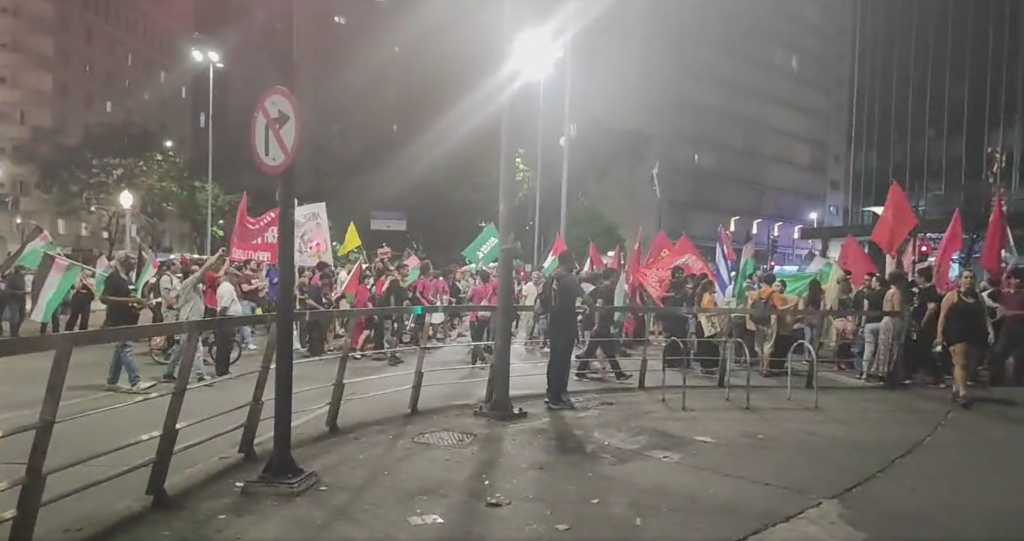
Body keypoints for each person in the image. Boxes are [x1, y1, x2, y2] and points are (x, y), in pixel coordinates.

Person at [161, 252, 223, 383]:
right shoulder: (190, 282)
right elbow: (205, 268)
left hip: (189, 318)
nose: (202, 274)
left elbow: (175, 298)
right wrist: (217, 255)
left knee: (180, 348)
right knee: (196, 348)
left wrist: (178, 307)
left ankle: (169, 372)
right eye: (196, 272)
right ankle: (200, 374)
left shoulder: (192, 286)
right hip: (190, 320)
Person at [543, 251, 594, 410]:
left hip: (553, 321)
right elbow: (586, 298)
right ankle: (557, 398)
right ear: (569, 261)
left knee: (554, 359)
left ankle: (551, 393)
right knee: (563, 361)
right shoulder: (569, 279)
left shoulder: (551, 277)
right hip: (566, 323)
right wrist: (591, 308)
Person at [936, 270, 992, 407]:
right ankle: (963, 392)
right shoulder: (952, 296)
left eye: (971, 278)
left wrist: (990, 331)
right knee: (960, 363)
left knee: (966, 364)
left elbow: (985, 316)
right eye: (966, 277)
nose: (969, 280)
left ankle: (956, 388)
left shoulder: (979, 298)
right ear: (959, 280)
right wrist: (939, 336)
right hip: (956, 333)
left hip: (975, 334)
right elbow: (942, 317)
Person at [102, 252, 156, 393]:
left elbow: (131, 296)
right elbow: (104, 298)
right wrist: (129, 301)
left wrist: (140, 303)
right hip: (118, 320)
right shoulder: (113, 277)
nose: (135, 262)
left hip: (129, 318)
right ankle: (135, 381)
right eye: (131, 259)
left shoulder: (128, 279)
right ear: (123, 261)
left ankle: (112, 381)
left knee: (120, 351)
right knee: (125, 349)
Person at [574, 268, 632, 382]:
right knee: (594, 350)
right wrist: (597, 323)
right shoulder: (606, 289)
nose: (616, 279)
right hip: (601, 325)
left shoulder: (608, 289)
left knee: (607, 351)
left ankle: (618, 374)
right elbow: (599, 306)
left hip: (603, 324)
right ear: (611, 276)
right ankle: (580, 372)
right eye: (616, 276)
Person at [214, 268, 243, 377]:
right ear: (230, 276)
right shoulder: (227, 289)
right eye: (236, 277)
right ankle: (222, 370)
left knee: (226, 345)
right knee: (225, 346)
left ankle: (224, 369)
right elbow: (224, 306)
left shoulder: (229, 288)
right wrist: (220, 318)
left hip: (229, 319)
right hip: (227, 319)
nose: (237, 279)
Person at [4, 266, 28, 337]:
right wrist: (17, 292)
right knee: (15, 317)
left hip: (22, 300)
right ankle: (13, 332)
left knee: (22, 316)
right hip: (13, 301)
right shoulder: (11, 278)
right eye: (23, 270)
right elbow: (7, 290)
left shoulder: (22, 278)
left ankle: (16, 330)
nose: (25, 271)